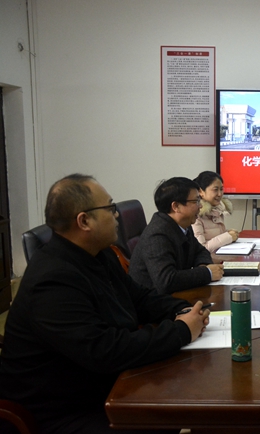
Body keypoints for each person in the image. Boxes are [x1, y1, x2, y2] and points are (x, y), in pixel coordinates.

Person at [0, 174, 210, 434]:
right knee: (164, 416)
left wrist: (182, 310)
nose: (117, 215)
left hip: (101, 384)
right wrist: (181, 331)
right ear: (84, 221)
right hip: (61, 411)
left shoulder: (99, 254)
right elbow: (104, 350)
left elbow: (139, 298)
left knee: (179, 395)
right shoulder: (52, 279)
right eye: (110, 208)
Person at [129, 177, 223, 294]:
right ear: (176, 206)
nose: (200, 206)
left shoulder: (183, 224)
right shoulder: (157, 235)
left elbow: (200, 251)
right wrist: (207, 273)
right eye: (196, 201)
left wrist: (203, 266)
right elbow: (166, 281)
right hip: (154, 301)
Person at [192, 171, 238, 254]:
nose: (220, 194)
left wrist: (229, 233)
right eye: (215, 190)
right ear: (201, 192)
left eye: (221, 189)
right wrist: (228, 237)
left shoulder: (217, 210)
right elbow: (201, 249)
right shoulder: (196, 215)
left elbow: (214, 236)